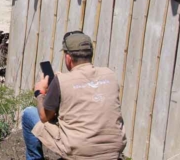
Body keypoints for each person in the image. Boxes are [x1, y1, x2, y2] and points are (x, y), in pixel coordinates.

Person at [21, 31, 126, 160]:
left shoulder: (61, 80)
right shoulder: (110, 75)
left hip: (79, 151)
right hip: (113, 151)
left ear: (68, 58)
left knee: (29, 114)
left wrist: (40, 93)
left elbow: (44, 117)